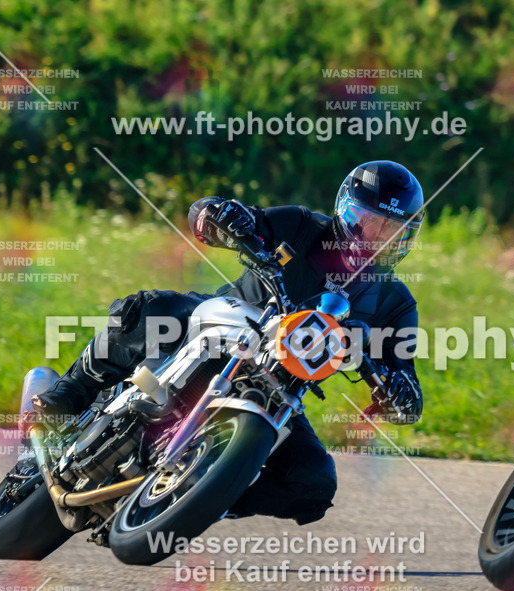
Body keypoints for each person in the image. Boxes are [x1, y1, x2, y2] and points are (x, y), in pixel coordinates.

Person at [31, 160, 426, 524]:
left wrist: (398, 391)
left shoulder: (395, 304)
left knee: (314, 484)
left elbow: (407, 386)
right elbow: (222, 217)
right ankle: (67, 394)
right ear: (344, 211)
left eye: (391, 230)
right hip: (223, 325)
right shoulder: (303, 227)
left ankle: (208, 498)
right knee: (152, 309)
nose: (375, 238)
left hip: (281, 390)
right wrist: (222, 216)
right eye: (367, 222)